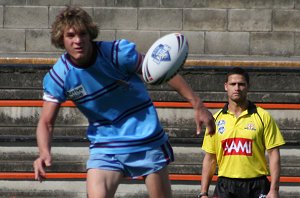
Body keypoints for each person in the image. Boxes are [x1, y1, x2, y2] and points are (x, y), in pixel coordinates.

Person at [33, 6, 215, 198]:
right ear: (61, 39)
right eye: (71, 35)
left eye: (82, 34)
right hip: (106, 144)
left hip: (146, 139)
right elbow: (46, 122)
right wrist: (44, 152)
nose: (78, 40)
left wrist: (198, 105)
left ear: (90, 34)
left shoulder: (116, 53)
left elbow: (160, 68)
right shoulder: (59, 77)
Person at [199, 67, 285, 198]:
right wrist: (203, 193)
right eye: (233, 84)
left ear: (248, 87)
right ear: (226, 86)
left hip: (257, 184)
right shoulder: (215, 119)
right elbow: (210, 159)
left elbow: (274, 155)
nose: (237, 88)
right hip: (225, 186)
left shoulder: (263, 116)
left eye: (241, 84)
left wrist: (274, 189)